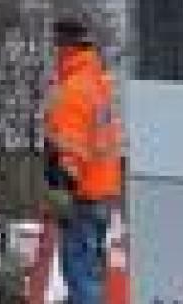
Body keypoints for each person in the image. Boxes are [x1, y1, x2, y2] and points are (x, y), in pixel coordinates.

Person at [43, 18, 123, 304]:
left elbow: (70, 149)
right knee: (91, 272)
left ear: (66, 48)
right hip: (103, 192)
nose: (54, 53)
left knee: (80, 274)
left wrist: (62, 191)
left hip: (82, 196)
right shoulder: (99, 84)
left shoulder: (72, 91)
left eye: (56, 46)